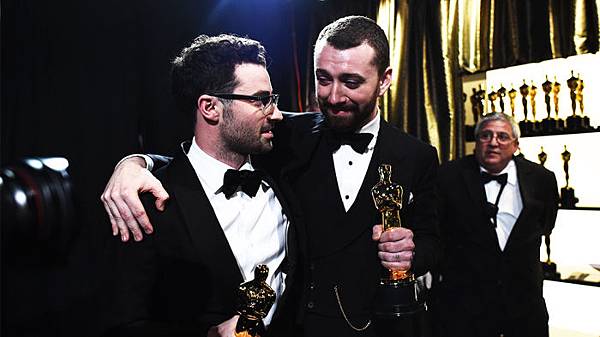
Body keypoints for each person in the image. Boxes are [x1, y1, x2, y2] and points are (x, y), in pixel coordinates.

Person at [102, 16, 440, 337]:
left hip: (377, 326)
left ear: (384, 80)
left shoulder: (418, 156)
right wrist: (134, 164)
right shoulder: (285, 137)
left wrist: (412, 254)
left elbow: (435, 240)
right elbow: (203, 153)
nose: (334, 97)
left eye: (351, 82)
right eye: (323, 79)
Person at [102, 34, 298, 337]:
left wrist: (135, 160)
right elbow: (123, 324)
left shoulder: (285, 167)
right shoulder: (148, 203)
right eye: (260, 100)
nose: (276, 113)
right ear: (210, 108)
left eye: (273, 98)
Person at [434, 112, 558, 337]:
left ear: (516, 145)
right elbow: (438, 231)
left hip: (525, 307)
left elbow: (546, 224)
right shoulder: (447, 176)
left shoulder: (542, 179)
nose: (493, 142)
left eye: (502, 136)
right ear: (476, 142)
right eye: (485, 136)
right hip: (463, 308)